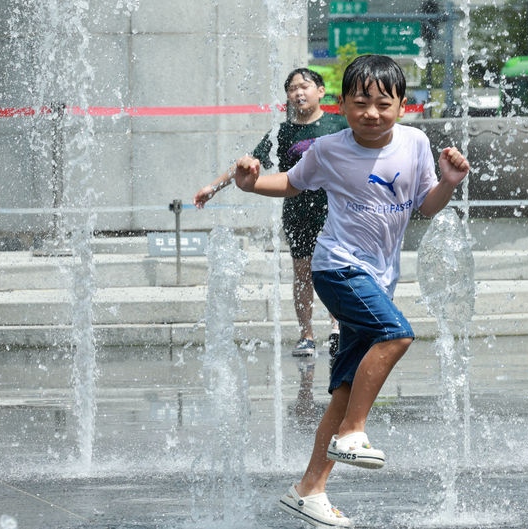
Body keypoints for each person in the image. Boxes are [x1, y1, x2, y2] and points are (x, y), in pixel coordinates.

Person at [231, 55, 470, 528]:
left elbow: (425, 206)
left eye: (384, 103)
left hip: (378, 277)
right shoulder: (329, 148)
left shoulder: (416, 143)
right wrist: (252, 183)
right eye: (361, 103)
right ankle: (354, 433)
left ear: (403, 105)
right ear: (342, 106)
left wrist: (449, 182)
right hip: (337, 268)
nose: (372, 113)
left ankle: (309, 490)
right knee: (397, 333)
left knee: (343, 391)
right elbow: (292, 184)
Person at [193, 67, 347, 359]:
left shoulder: (339, 125)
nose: (298, 93)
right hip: (298, 212)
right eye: (292, 89)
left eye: (304, 86)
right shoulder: (281, 132)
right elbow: (246, 165)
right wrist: (211, 188)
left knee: (335, 269)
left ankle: (338, 327)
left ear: (320, 91)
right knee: (302, 274)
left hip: (335, 210)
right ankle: (306, 335)